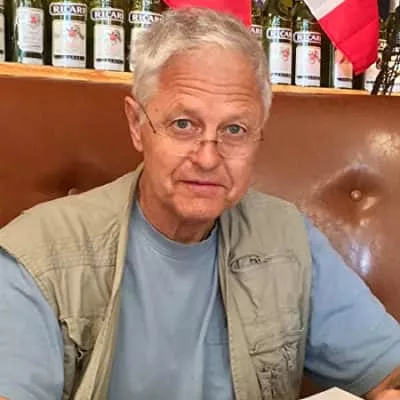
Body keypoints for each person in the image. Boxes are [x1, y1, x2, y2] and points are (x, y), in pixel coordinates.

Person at [0, 7, 400, 400]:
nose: (208, 158)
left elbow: (389, 373)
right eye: (183, 124)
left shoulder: (289, 239)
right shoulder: (38, 257)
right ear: (137, 125)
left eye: (234, 129)